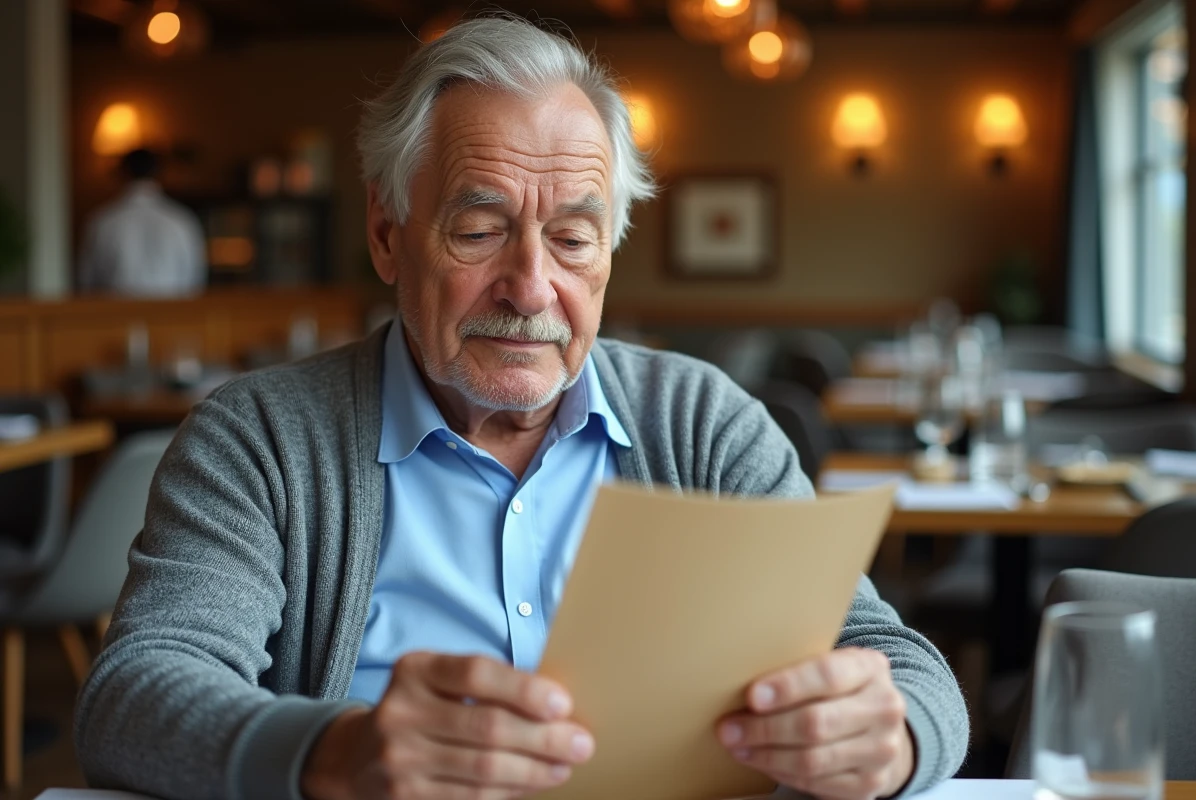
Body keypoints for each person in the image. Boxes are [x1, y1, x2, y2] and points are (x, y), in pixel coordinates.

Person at [76, 17, 968, 800]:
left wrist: (890, 739)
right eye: (479, 230)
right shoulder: (261, 439)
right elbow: (136, 692)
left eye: (573, 239)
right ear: (388, 236)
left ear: (609, 253)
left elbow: (898, 662)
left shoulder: (705, 424)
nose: (532, 287)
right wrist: (334, 752)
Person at [78, 148, 207, 296]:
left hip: (116, 314)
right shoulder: (182, 220)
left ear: (122, 173)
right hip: (171, 313)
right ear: (159, 173)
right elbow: (195, 278)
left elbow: (87, 280)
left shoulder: (101, 221)